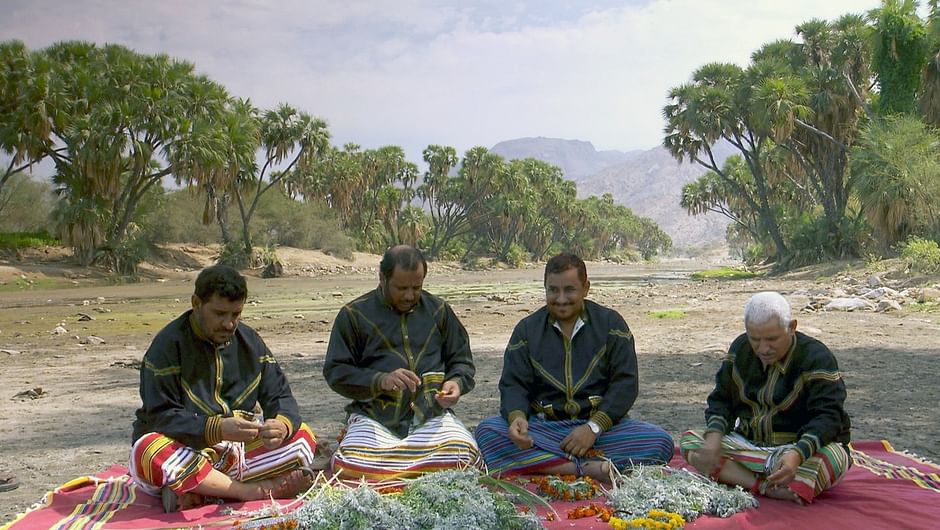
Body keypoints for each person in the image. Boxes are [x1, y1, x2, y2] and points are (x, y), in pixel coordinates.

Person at [130, 265, 317, 512]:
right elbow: (159, 416)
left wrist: (280, 426)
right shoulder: (168, 346)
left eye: (235, 314)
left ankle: (200, 490)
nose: (229, 324)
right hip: (188, 448)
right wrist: (216, 429)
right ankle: (248, 491)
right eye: (219, 314)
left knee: (303, 438)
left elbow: (280, 395)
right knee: (148, 450)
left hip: (237, 454)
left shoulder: (250, 343)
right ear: (196, 303)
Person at [475, 252, 674, 482]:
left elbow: (625, 384)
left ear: (586, 288)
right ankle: (584, 469)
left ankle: (548, 464)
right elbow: (513, 384)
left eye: (569, 290)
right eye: (553, 290)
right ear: (545, 288)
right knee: (487, 433)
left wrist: (593, 429)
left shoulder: (611, 325)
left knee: (660, 442)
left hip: (602, 431)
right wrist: (517, 418)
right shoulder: (527, 330)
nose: (561, 299)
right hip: (545, 429)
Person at [323, 245, 481, 482]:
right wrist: (380, 380)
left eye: (416, 287)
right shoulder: (354, 315)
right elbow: (336, 371)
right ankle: (413, 471)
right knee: (351, 464)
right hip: (374, 419)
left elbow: (462, 361)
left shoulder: (439, 311)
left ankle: (394, 474)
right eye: (401, 288)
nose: (409, 295)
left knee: (463, 457)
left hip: (431, 417)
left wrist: (456, 383)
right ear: (382, 278)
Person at [680, 291, 851, 505]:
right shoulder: (740, 349)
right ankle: (762, 485)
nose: (763, 348)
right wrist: (714, 437)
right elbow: (721, 400)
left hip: (797, 450)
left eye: (772, 339)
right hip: (748, 444)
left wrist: (797, 454)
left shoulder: (816, 357)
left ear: (792, 327)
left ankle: (737, 474)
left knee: (831, 458)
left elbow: (829, 417)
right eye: (755, 339)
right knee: (691, 441)